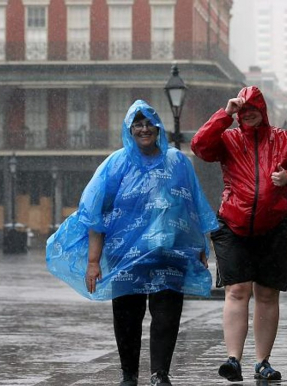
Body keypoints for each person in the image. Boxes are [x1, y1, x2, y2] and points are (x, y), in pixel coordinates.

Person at [46, 100, 218, 386]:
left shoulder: (178, 162)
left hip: (169, 253)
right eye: (137, 124)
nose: (144, 129)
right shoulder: (115, 164)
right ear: (129, 130)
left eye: (149, 123)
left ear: (158, 126)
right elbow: (95, 213)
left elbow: (193, 207)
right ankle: (129, 375)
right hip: (124, 256)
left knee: (166, 315)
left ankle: (160, 373)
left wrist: (199, 246)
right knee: (127, 317)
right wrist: (92, 262)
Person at [191, 86, 287, 382]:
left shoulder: (284, 140)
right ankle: (233, 359)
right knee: (236, 290)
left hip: (276, 226)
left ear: (263, 109)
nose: (248, 114)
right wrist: (225, 113)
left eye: (252, 108)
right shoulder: (229, 139)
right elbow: (200, 145)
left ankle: (262, 361)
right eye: (243, 110)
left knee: (267, 294)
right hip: (234, 224)